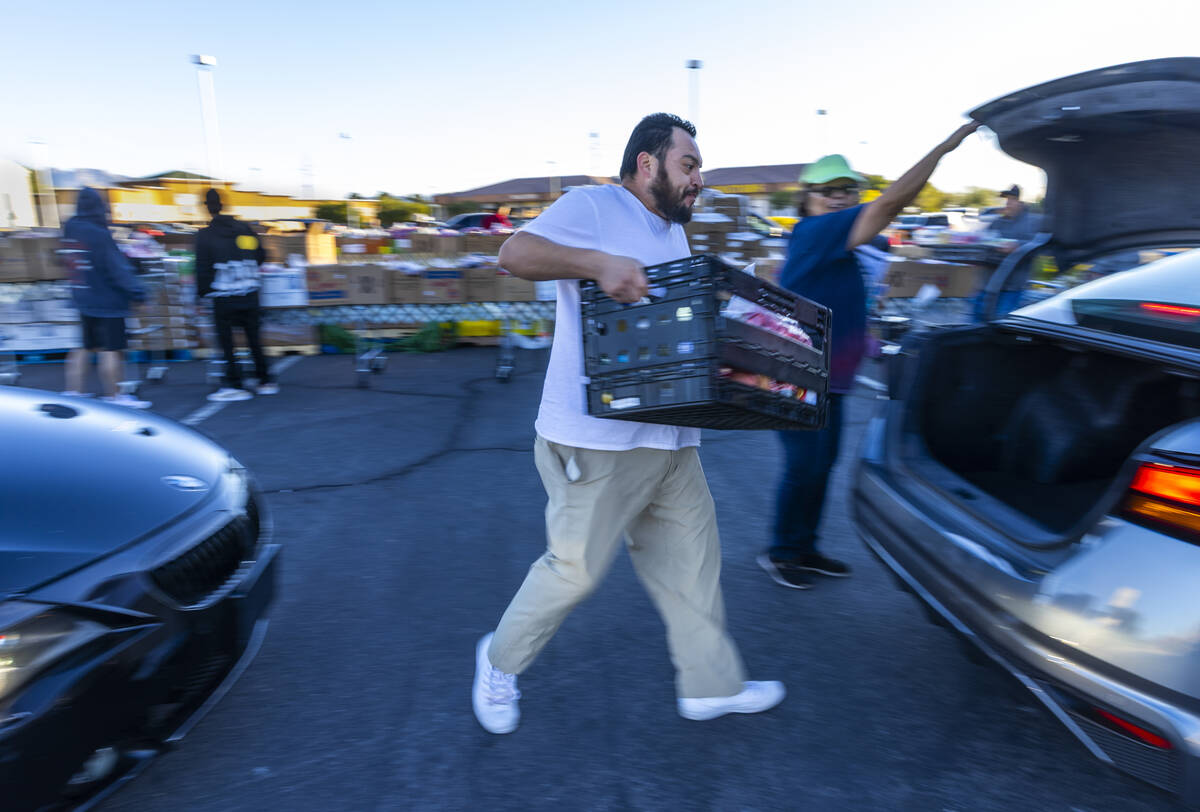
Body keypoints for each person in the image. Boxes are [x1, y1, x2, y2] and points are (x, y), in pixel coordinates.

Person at [473, 113, 784, 735]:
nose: (699, 179)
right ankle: (498, 661)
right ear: (648, 163)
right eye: (689, 165)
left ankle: (710, 685)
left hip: (670, 437)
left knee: (693, 563)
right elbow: (514, 252)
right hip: (599, 440)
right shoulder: (594, 206)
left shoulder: (673, 232)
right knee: (575, 572)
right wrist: (595, 264)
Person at [759, 123, 979, 590]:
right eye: (828, 190)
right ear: (808, 199)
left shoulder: (843, 246)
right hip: (796, 376)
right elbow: (889, 204)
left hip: (830, 381)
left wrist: (869, 338)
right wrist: (942, 148)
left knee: (821, 466)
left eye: (848, 189)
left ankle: (805, 547)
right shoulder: (817, 231)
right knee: (804, 467)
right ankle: (781, 552)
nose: (840, 197)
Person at [61, 187, 152, 409]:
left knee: (84, 347)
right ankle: (114, 396)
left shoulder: (70, 229)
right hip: (107, 300)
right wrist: (138, 294)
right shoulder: (99, 234)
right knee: (111, 350)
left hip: (82, 296)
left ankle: (73, 391)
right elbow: (117, 268)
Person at [195, 188, 277, 402]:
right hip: (250, 293)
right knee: (254, 339)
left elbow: (202, 268)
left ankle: (234, 383)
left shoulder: (205, 236)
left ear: (206, 207)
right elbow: (259, 254)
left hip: (222, 296)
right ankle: (265, 380)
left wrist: (202, 294)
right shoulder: (244, 230)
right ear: (225, 204)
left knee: (227, 343)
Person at [972, 184, 1044, 320]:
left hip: (1011, 287)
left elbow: (1039, 246)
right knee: (976, 323)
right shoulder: (998, 221)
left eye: (1012, 200)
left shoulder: (1033, 221)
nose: (1008, 204)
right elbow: (985, 239)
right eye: (1006, 200)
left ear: (1021, 202)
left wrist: (1017, 246)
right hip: (988, 284)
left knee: (1001, 325)